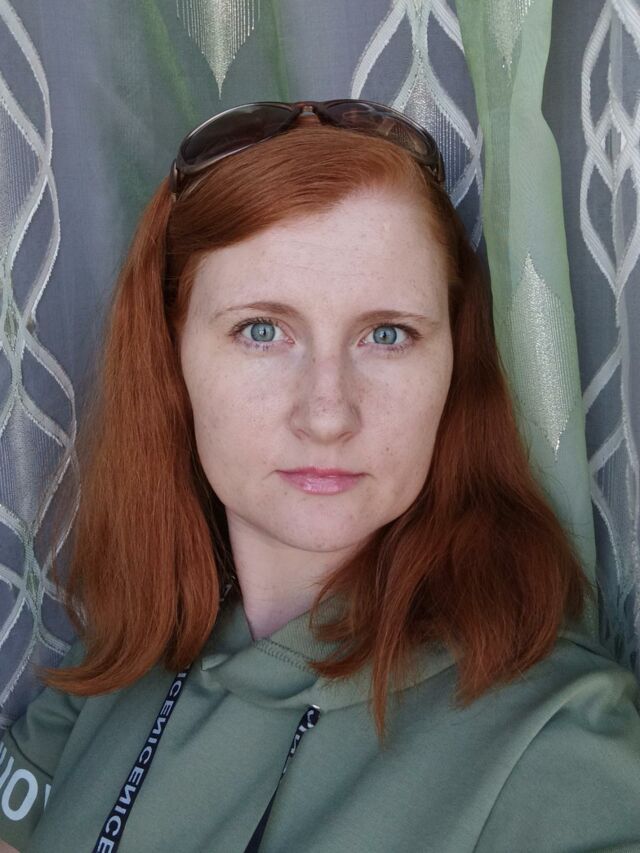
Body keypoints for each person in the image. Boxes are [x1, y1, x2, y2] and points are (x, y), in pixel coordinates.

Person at [1, 99, 640, 853]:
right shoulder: (116, 664)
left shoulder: (560, 742)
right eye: (262, 330)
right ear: (171, 358)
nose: (328, 413)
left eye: (388, 334)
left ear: (454, 366)